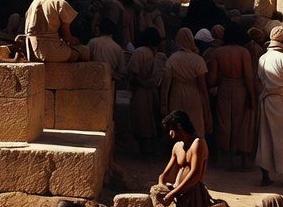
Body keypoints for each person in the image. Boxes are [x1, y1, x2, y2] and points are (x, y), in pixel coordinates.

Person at [206, 21, 257, 171]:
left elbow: (212, 79)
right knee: (241, 124)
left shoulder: (217, 53)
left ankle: (225, 159)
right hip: (241, 88)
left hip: (224, 88)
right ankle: (243, 160)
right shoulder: (243, 52)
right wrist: (252, 96)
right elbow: (248, 77)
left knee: (224, 123)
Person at [256, 24, 283, 188]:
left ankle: (265, 177)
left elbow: (259, 82)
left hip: (267, 100)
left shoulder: (263, 58)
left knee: (265, 137)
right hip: (282, 100)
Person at [160, 27, 211, 139]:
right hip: (193, 96)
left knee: (178, 125)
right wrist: (207, 109)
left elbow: (165, 85)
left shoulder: (172, 59)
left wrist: (164, 104)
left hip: (176, 94)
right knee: (195, 125)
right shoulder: (198, 60)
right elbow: (203, 87)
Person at [24, 0, 89, 62]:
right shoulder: (60, 3)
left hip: (30, 50)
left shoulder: (35, 1)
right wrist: (78, 41)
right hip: (50, 51)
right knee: (85, 52)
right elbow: (67, 38)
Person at [127, 26, 166, 155]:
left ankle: (143, 150)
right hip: (154, 91)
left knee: (141, 121)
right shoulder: (159, 55)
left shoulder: (139, 52)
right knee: (152, 118)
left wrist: (141, 82)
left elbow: (133, 72)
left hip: (141, 92)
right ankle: (152, 149)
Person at [88, 18, 128, 84]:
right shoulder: (118, 48)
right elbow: (122, 71)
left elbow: (86, 60)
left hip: (94, 80)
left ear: (100, 28)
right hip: (110, 83)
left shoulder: (93, 42)